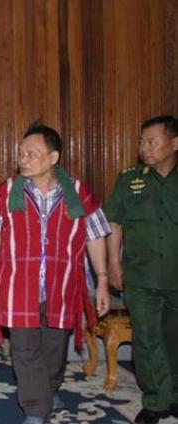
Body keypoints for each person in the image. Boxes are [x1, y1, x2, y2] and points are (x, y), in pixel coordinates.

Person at [0, 123, 111, 424]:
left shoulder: (79, 193)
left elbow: (95, 236)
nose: (24, 159)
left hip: (63, 286)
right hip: (18, 284)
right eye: (21, 153)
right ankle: (35, 409)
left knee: (55, 350)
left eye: (32, 153)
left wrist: (103, 280)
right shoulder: (5, 193)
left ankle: (48, 388)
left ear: (54, 157)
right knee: (24, 348)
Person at [104, 115, 178, 424]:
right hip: (141, 275)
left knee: (174, 338)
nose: (144, 148)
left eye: (152, 141)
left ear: (174, 144)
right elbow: (114, 221)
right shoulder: (129, 178)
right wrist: (113, 263)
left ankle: (173, 394)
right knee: (147, 339)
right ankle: (155, 402)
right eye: (141, 141)